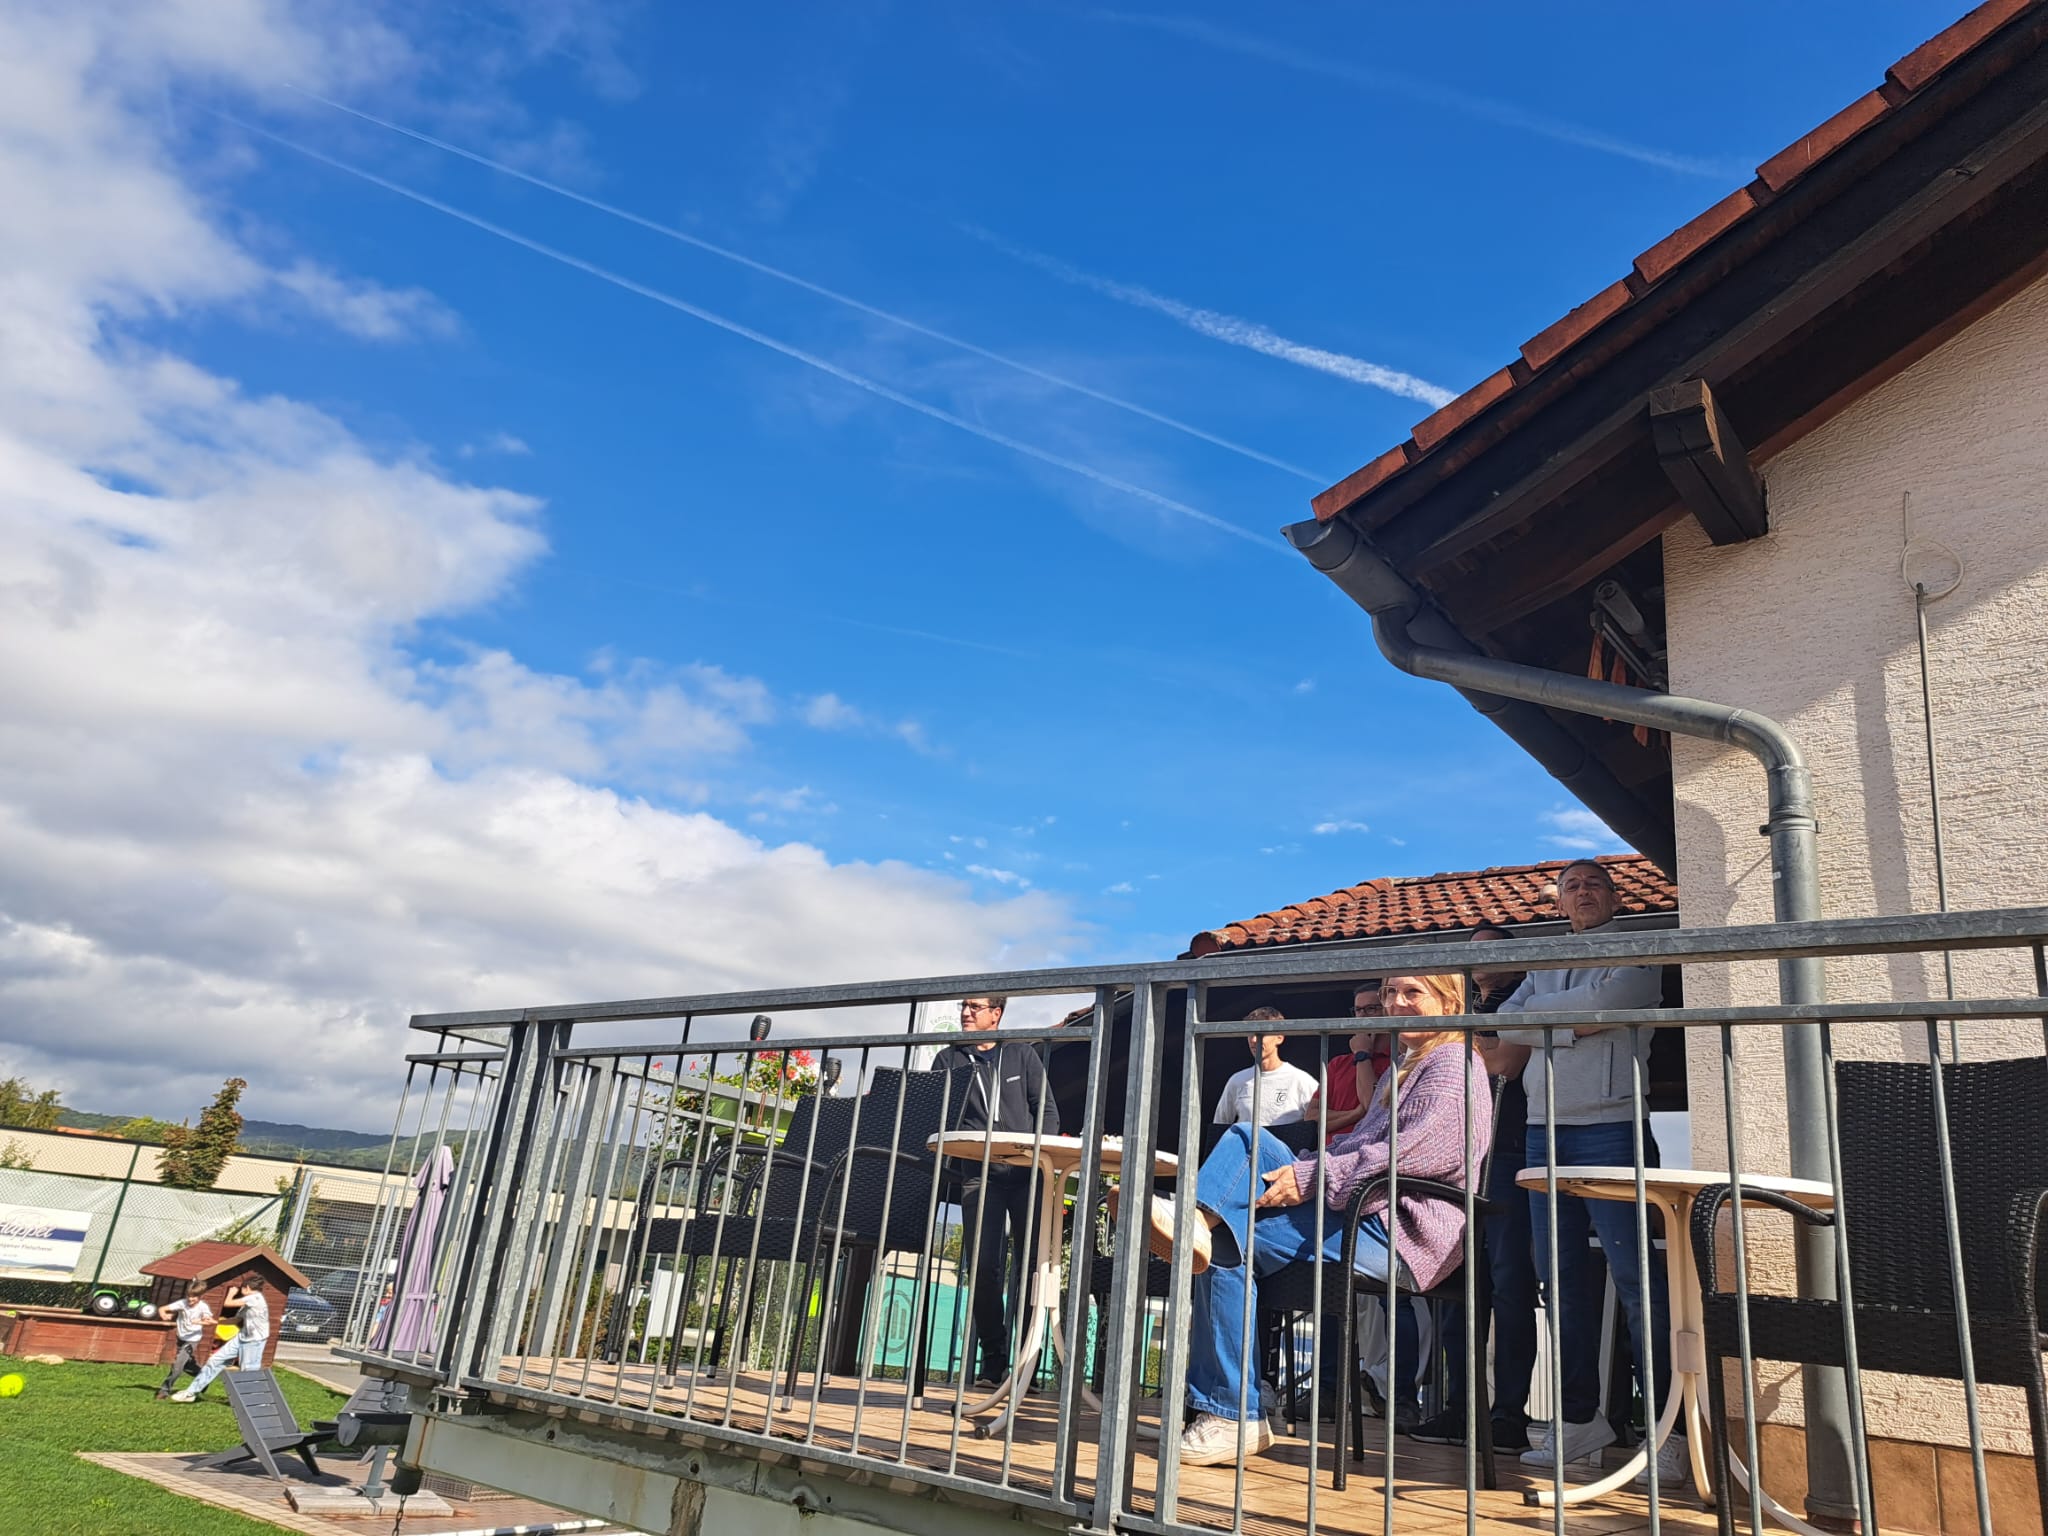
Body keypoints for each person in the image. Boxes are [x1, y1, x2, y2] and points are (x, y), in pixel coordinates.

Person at [1118, 974, 1493, 1467]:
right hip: (1363, 1209)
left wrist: (1312, 1175)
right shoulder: (1404, 1067)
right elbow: (1358, 1144)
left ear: (1450, 1001)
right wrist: (1302, 1166)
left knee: (1236, 1193)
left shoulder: (1453, 1063)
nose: (1395, 1002)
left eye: (1411, 992)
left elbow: (1417, 1154)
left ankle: (1231, 1411)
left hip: (1403, 1230)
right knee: (1236, 1189)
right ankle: (1230, 1411)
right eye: (1389, 993)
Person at [1487, 859, 1679, 1483]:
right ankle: (1577, 1421)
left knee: (1636, 1278)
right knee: (1560, 1278)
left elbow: (1612, 1001)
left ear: (1615, 897)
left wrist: (1546, 1023)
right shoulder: (1542, 958)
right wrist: (1574, 1024)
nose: (1583, 892)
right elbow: (1505, 1022)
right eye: (1572, 886)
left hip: (1613, 1126)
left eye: (1594, 883)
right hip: (1543, 1132)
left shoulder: (1638, 947)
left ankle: (1667, 1429)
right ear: (1560, 903)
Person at [1409, 924, 1547, 1451]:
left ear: (1514, 958)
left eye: (1490, 950)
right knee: (1457, 1283)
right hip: (1461, 1159)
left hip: (1507, 1151)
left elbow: (1507, 1061)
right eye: (1472, 953)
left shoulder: (1522, 997)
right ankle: (1461, 1407)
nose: (1478, 959)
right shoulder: (1464, 1008)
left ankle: (1508, 1413)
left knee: (1510, 1284)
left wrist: (1457, 1044)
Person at [931, 995, 1060, 1388]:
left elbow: (1047, 1111)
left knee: (1031, 1268)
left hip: (1026, 1175)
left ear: (996, 1014)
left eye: (975, 1007)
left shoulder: (1022, 1054)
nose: (966, 1013)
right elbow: (937, 1115)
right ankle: (993, 1359)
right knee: (984, 1266)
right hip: (980, 1174)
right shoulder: (948, 1060)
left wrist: (1038, 1155)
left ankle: (1027, 1364)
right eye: (963, 1007)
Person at [1302, 984, 1393, 1142]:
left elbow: (1375, 1109)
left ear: (1388, 1012)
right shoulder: (1338, 1064)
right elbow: (1311, 1118)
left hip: (1369, 1150)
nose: (1362, 1016)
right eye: (1358, 1010)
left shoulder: (1398, 1061)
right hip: (1329, 1152)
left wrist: (1362, 1055)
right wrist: (1355, 1114)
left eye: (1371, 1009)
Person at [171, 1271, 270, 1401]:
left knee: (248, 1370)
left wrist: (231, 1293)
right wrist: (216, 1322)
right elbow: (236, 1320)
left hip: (255, 1341)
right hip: (242, 1337)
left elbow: (228, 1303)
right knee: (215, 1360)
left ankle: (254, 1401)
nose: (240, 1291)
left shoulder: (255, 1298)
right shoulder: (247, 1304)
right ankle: (191, 1393)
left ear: (246, 1288)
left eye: (241, 1289)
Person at [1212, 1008, 1318, 1128]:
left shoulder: (1301, 1080)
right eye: (1250, 1033)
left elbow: (1321, 1120)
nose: (1253, 1040)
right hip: (1246, 1141)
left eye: (1261, 1034)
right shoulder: (1237, 1080)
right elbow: (1218, 1127)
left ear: (1279, 1037)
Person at [157, 1280, 214, 1399]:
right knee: (187, 1365)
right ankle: (204, 1378)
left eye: (194, 1297)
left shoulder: (203, 1307)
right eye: (189, 1296)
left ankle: (164, 1390)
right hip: (181, 1337)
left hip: (192, 1340)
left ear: (200, 1296)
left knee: (177, 1366)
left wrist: (200, 1321)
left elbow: (209, 1321)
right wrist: (164, 1315)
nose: (190, 1299)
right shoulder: (182, 1303)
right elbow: (162, 1308)